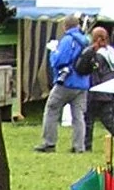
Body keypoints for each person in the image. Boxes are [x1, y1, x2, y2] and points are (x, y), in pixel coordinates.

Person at [34, 14, 91, 153]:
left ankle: (49, 143)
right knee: (78, 116)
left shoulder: (68, 40)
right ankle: (79, 146)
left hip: (67, 82)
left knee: (52, 109)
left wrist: (53, 51)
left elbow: (59, 61)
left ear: (65, 26)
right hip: (83, 83)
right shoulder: (85, 40)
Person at [84, 25, 114, 148]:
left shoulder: (98, 54)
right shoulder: (110, 52)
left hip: (98, 90)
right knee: (109, 120)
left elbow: (96, 74)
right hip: (110, 89)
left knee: (89, 118)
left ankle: (86, 144)